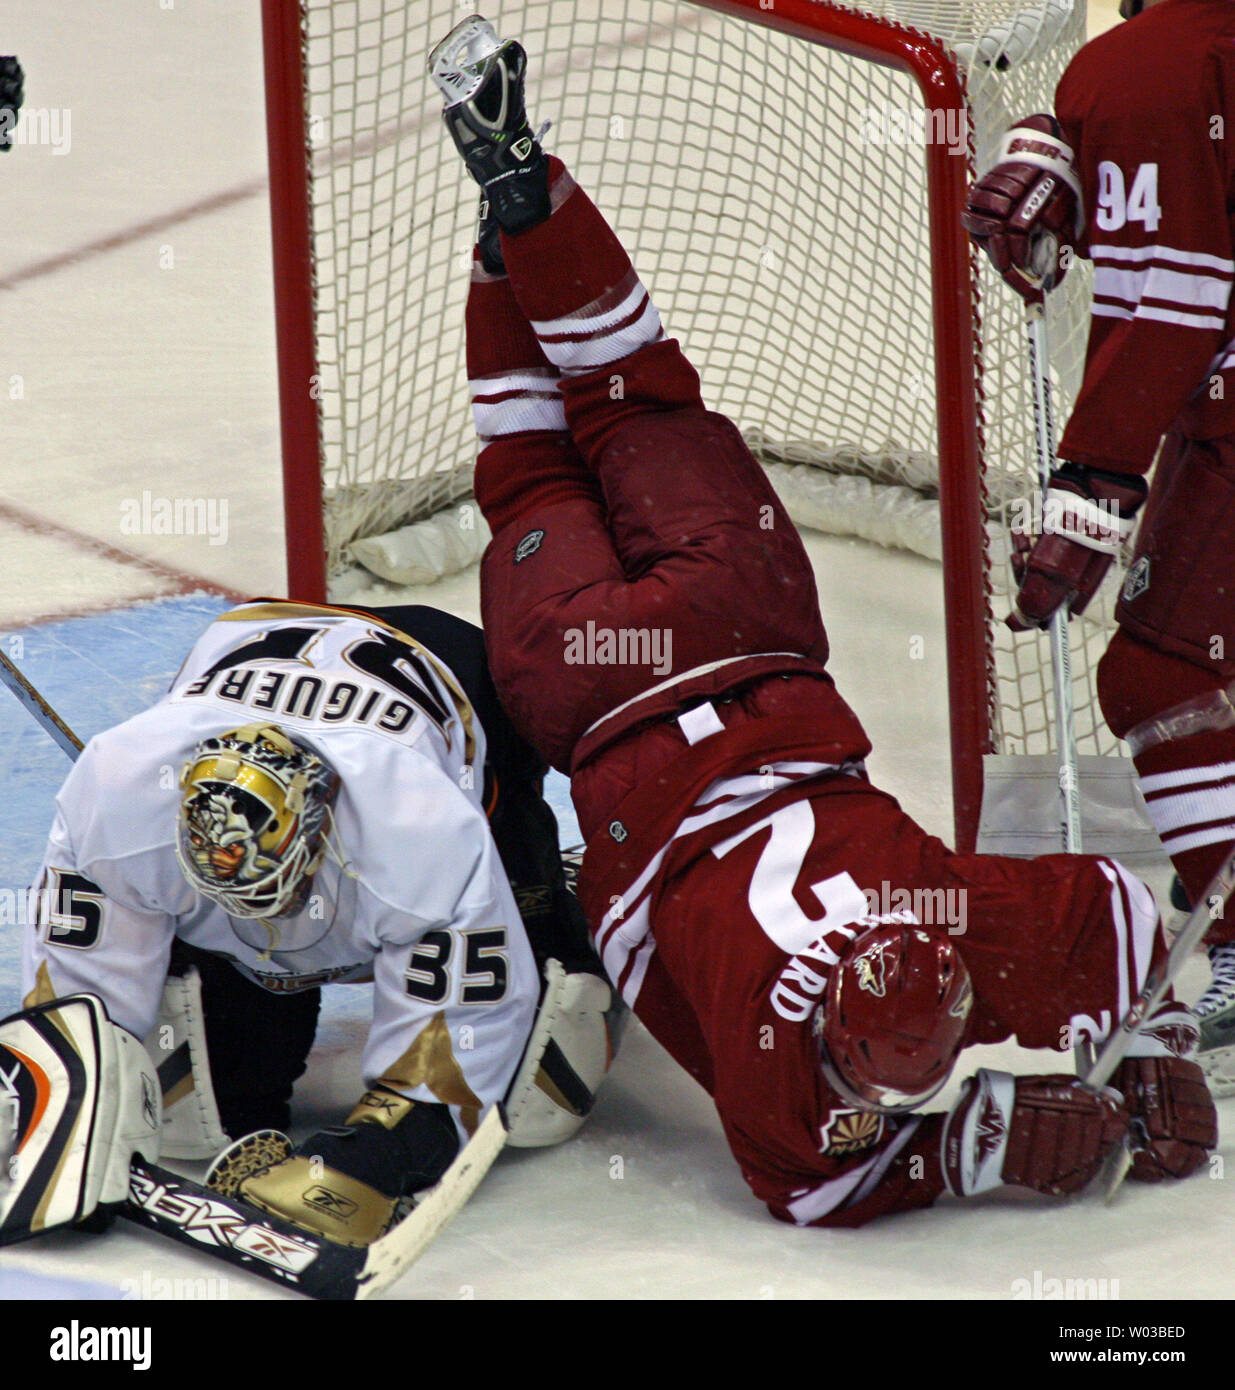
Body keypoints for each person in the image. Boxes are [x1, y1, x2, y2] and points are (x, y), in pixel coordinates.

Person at [429, 13, 1216, 1229]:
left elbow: (1114, 925)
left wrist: (1133, 1041)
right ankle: (510, 237)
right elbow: (813, 1181)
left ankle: (526, 210)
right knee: (533, 466)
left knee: (633, 393)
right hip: (597, 691)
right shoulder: (821, 1019)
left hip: (738, 625)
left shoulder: (955, 910)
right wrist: (990, 1135)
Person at [2, 600, 615, 1248]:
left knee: (540, 1091)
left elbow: (456, 1049)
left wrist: (378, 1156)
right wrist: (65, 1120)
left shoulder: (420, 827)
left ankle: (559, 900)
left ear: (316, 824)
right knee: (193, 1119)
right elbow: (77, 1016)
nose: (230, 871)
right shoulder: (119, 796)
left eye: (248, 861)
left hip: (448, 664)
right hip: (260, 635)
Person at [962, 0, 1235, 1091]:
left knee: (1158, 670)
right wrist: (1080, 155)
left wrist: (1090, 489)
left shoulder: (1146, 60)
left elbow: (1169, 305)